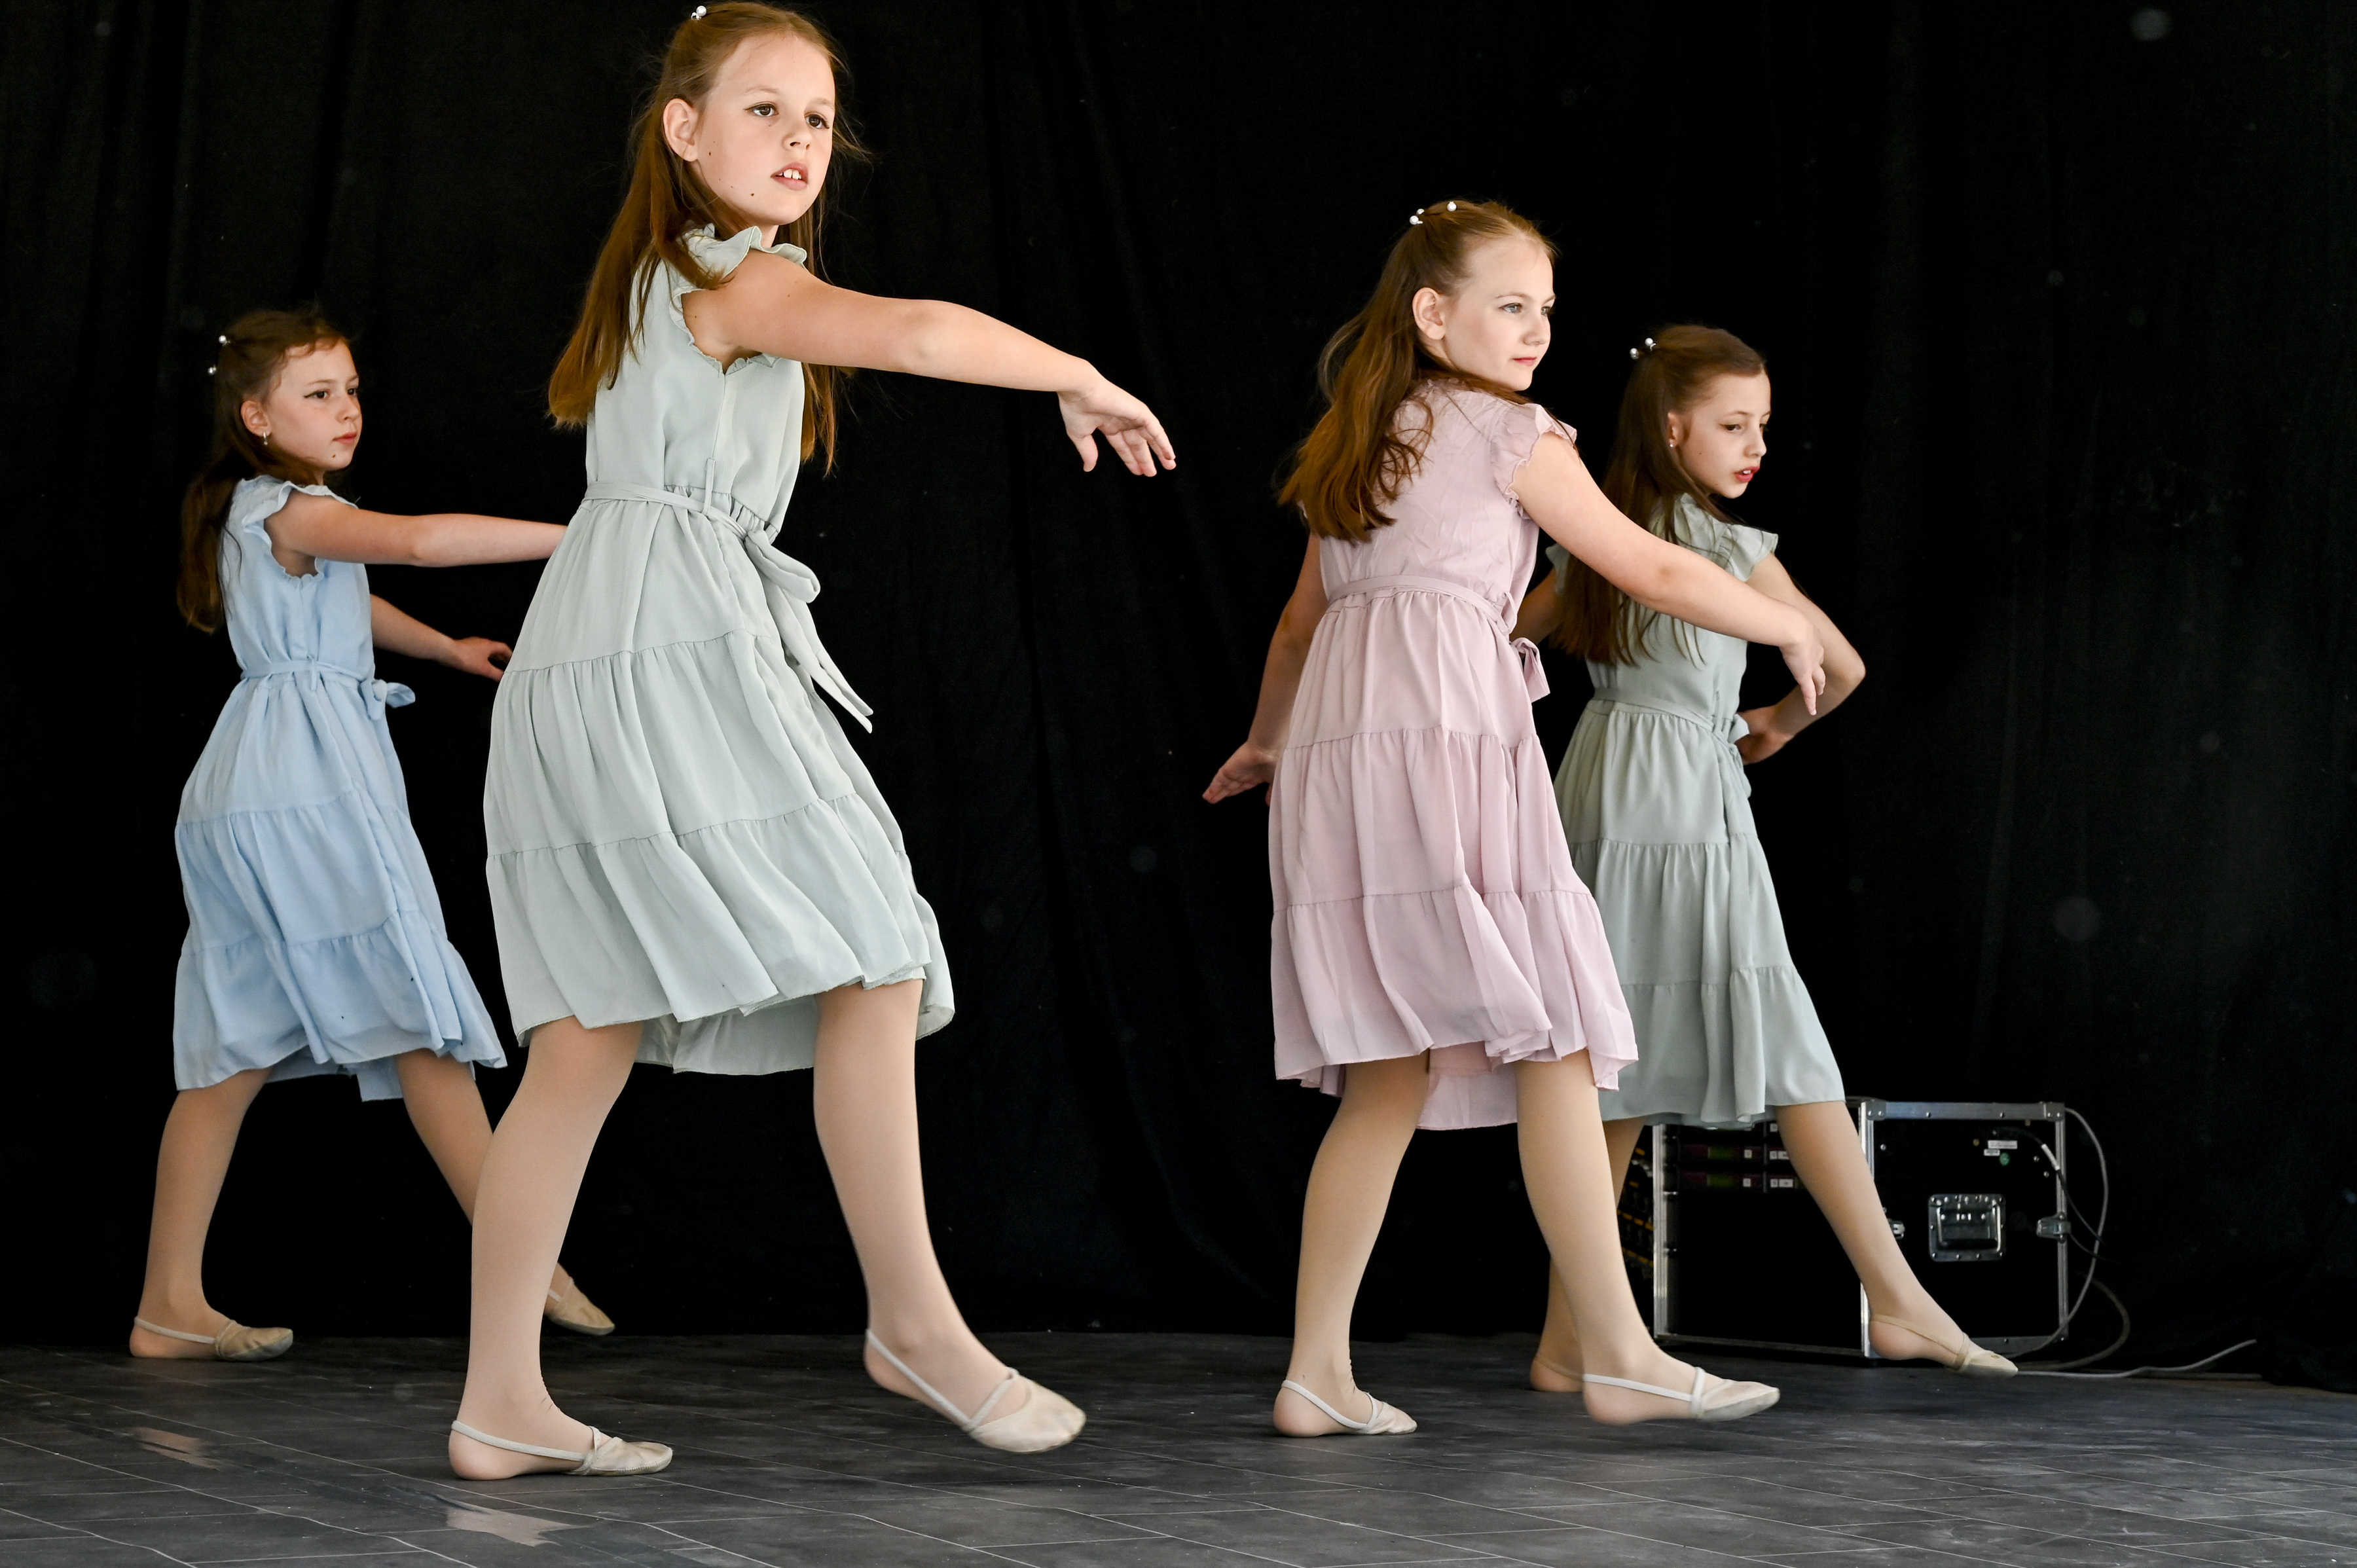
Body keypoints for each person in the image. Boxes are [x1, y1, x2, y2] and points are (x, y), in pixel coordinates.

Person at [450, 2, 1177, 1478]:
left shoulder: (676, 279)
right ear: (684, 129)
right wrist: (1073, 371)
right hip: (661, 655)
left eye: (819, 120)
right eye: (765, 110)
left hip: (637, 643)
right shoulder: (726, 274)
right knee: (871, 952)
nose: (799, 141)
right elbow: (912, 330)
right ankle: (912, 1320)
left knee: (593, 1035)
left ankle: (499, 1399)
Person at [1205, 202, 1825, 1433]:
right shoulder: (1508, 430)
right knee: (1558, 1038)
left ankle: (1316, 1371)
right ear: (1434, 314)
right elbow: (1642, 563)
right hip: (1443, 742)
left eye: (1546, 307)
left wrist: (1269, 742)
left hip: (1344, 754)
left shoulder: (1359, 440)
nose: (1538, 328)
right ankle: (1619, 1354)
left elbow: (1298, 624)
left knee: (1388, 1075)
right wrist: (1783, 623)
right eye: (1511, 305)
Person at [1514, 325, 2013, 1381]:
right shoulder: (1722, 547)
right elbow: (1845, 666)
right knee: (1774, 1045)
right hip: (1685, 798)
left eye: (1763, 428)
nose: (1757, 448)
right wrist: (1777, 723)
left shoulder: (1599, 537)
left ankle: (1569, 1338)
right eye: (1736, 426)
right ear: (1673, 426)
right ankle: (1896, 1295)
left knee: (1610, 1062)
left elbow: (1501, 635)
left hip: (1602, 784)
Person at [141, 309, 606, 1366]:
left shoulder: (266, 512)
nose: (346, 410)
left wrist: (443, 649)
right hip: (305, 786)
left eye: (351, 390)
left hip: (250, 786)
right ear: (256, 417)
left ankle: (167, 1302)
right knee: (418, 1016)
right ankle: (528, 1262)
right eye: (318, 395)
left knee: (231, 1052)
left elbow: (354, 599)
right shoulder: (293, 507)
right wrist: (584, 535)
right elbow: (418, 542)